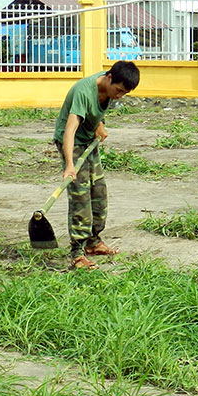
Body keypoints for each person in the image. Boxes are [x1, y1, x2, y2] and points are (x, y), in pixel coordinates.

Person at [53, 60, 140, 269]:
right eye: (118, 91)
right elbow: (70, 130)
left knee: (98, 193)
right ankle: (77, 253)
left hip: (88, 141)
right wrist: (69, 165)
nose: (119, 96)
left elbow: (95, 109)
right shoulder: (84, 91)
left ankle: (93, 242)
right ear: (109, 78)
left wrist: (98, 125)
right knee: (80, 196)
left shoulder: (111, 85)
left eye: (124, 94)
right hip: (72, 142)